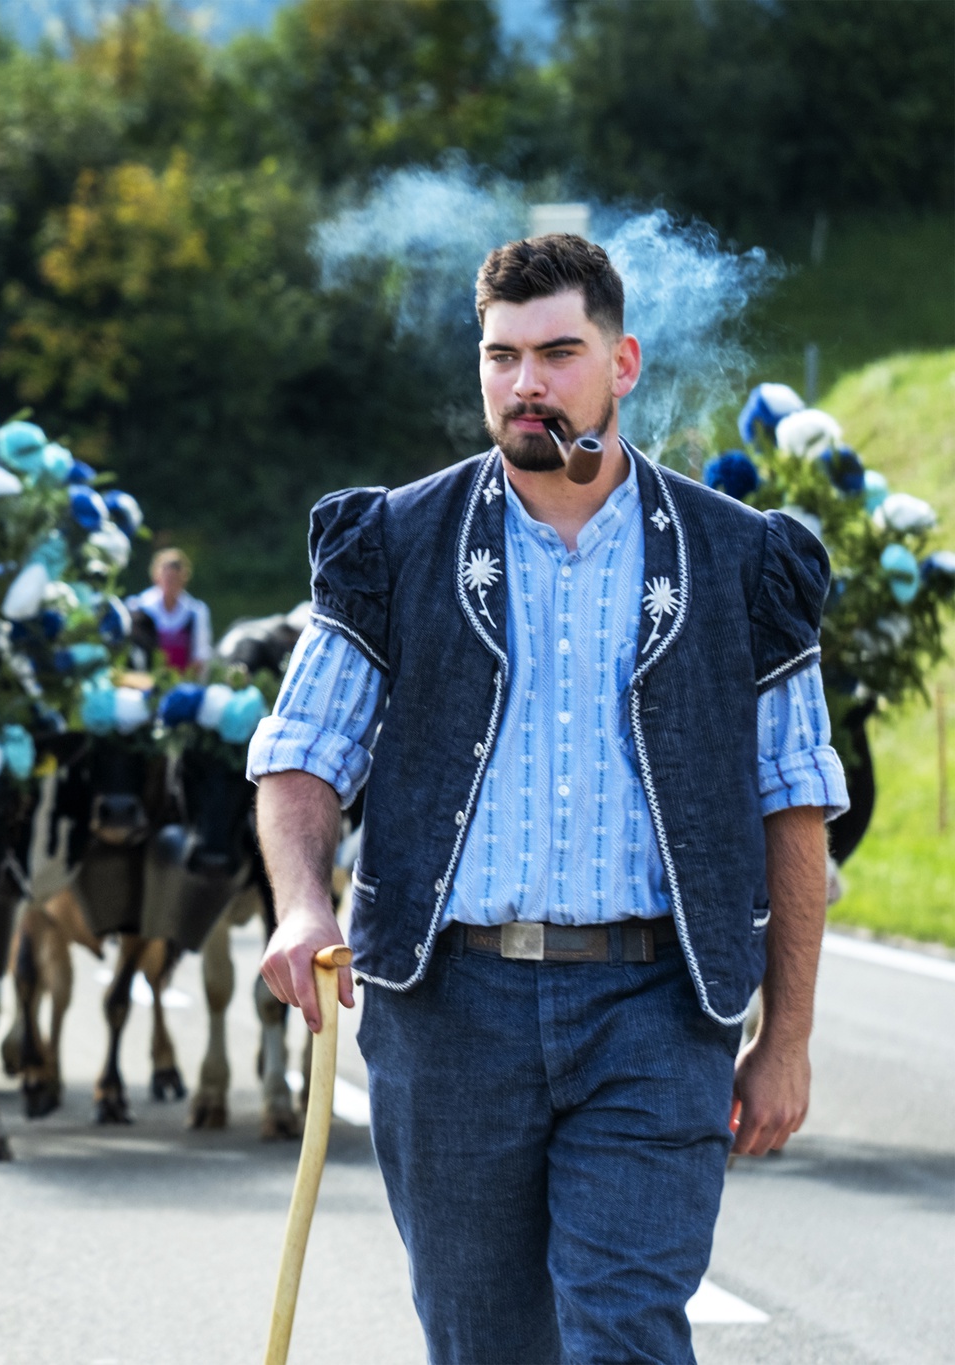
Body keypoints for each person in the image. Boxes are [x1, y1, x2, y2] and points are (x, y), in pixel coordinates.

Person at [250, 235, 842, 1365]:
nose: (525, 383)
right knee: (484, 1346)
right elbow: (302, 749)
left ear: (620, 363)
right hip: (446, 1011)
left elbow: (793, 800)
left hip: (656, 1011)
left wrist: (786, 1039)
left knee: (621, 1336)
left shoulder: (737, 561)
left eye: (556, 353)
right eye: (500, 356)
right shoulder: (395, 543)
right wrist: (297, 903)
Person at [130, 547, 212, 676]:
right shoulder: (139, 608)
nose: (170, 584)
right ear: (156, 577)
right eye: (167, 579)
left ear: (183, 579)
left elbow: (201, 656)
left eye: (174, 579)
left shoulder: (196, 611)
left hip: (183, 685)